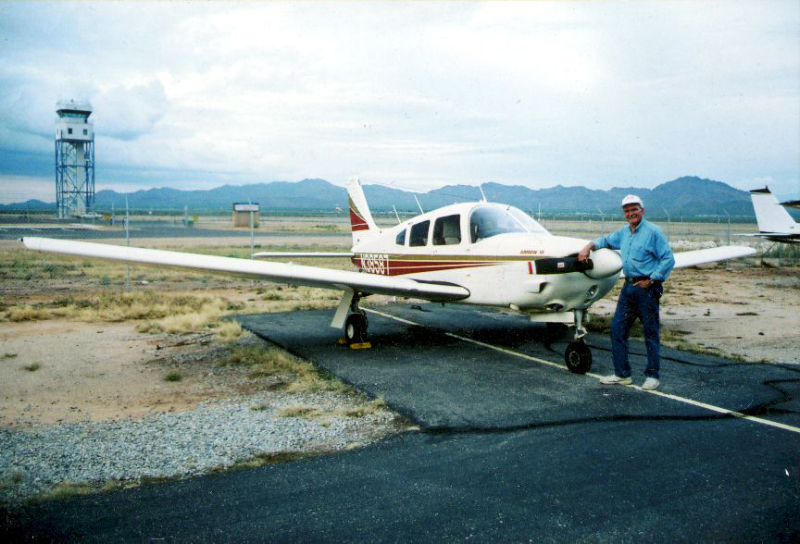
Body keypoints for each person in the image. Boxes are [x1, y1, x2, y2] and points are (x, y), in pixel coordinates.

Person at [578, 195, 675, 390]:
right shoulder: (623, 233)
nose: (631, 213)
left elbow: (668, 259)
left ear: (642, 210)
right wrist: (588, 247)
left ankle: (652, 376)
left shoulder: (653, 232)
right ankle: (622, 374)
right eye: (627, 211)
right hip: (629, 287)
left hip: (647, 288)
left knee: (650, 332)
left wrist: (652, 279)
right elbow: (606, 241)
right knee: (617, 330)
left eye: (634, 209)